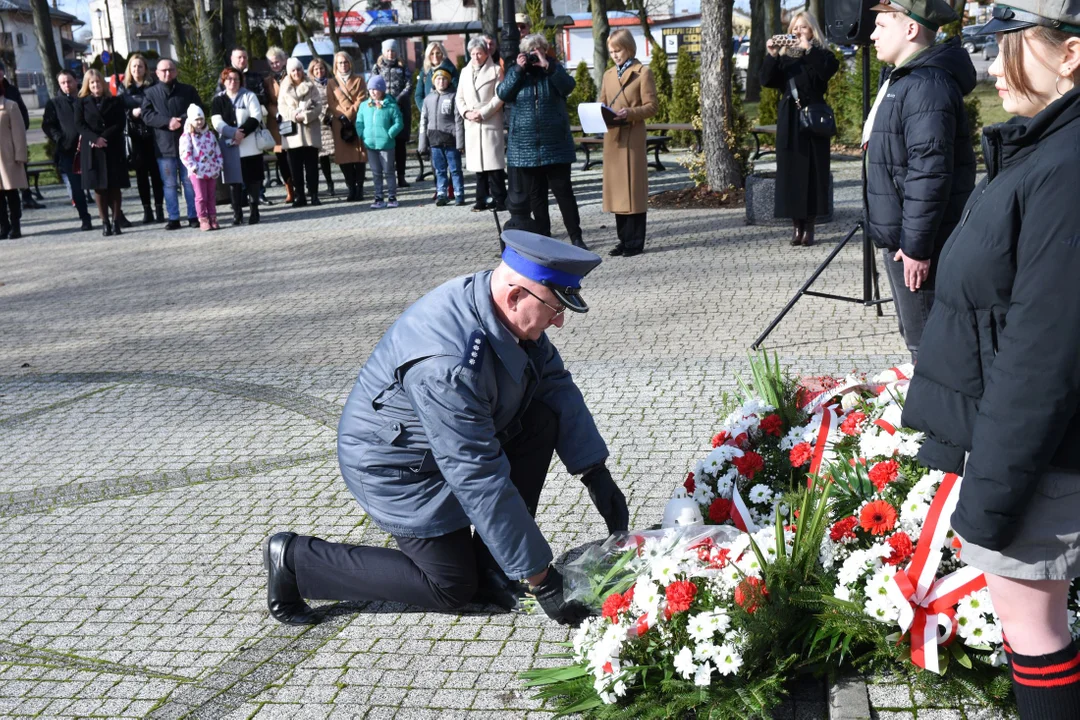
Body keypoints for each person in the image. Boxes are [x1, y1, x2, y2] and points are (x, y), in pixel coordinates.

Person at [263, 230, 629, 626]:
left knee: (542, 419)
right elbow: (476, 472)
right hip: (399, 468)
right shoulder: (448, 365)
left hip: (447, 448)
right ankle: (296, 561)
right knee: (451, 587)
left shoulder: (502, 308)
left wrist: (594, 471)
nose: (559, 322)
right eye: (555, 309)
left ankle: (495, 570)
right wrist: (541, 579)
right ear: (515, 296)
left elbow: (553, 382)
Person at [902, 3, 1080, 717]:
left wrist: (993, 495)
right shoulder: (1046, 148)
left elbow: (1045, 354)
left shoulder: (1066, 168)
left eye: (1010, 44)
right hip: (1027, 444)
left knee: (1033, 631)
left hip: (1043, 455)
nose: (989, 64)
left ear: (1071, 56)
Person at [865, 0, 976, 361]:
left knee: (928, 347)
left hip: (916, 245)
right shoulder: (905, 79)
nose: (872, 34)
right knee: (917, 339)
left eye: (882, 26)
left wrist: (916, 247)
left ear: (911, 30)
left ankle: (932, 418)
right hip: (902, 239)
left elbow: (929, 172)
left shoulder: (926, 85)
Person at [497, 34, 586, 249]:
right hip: (527, 148)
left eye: (538, 50)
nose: (534, 54)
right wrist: (518, 70)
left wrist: (548, 66)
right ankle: (545, 237)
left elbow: (568, 87)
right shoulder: (517, 73)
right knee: (536, 196)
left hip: (555, 145)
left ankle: (576, 237)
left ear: (545, 50)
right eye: (530, 51)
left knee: (564, 193)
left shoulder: (554, 68)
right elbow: (503, 94)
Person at [760, 11, 839, 248]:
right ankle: (796, 226)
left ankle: (811, 225)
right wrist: (772, 55)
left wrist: (809, 49)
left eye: (803, 28)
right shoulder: (787, 57)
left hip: (813, 118)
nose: (798, 32)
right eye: (795, 28)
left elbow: (824, 74)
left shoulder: (823, 55)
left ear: (812, 30)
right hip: (790, 119)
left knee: (814, 171)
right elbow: (766, 80)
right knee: (791, 171)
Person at [600, 29, 658, 257]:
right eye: (611, 51)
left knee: (633, 191)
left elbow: (652, 106)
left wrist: (631, 113)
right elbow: (602, 102)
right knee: (618, 193)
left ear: (629, 48)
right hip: (613, 138)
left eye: (618, 50)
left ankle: (635, 242)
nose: (615, 55)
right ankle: (623, 240)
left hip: (632, 137)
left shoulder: (642, 73)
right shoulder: (607, 75)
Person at [142, 58, 203, 230]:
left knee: (189, 181)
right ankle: (173, 218)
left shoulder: (187, 90)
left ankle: (194, 215)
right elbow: (147, 115)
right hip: (164, 147)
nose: (167, 73)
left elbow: (197, 109)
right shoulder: (151, 93)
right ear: (157, 73)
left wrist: (182, 120)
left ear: (176, 71)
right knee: (169, 184)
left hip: (188, 145)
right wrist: (167, 122)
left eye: (171, 70)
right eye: (163, 71)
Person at [75, 69, 131, 237]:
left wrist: (103, 138)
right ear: (87, 85)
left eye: (98, 82)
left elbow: (120, 123)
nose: (95, 85)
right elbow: (79, 124)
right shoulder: (81, 103)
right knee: (99, 187)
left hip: (111, 147)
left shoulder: (114, 101)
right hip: (92, 149)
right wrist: (94, 138)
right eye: (92, 83)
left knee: (114, 186)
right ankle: (104, 222)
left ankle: (116, 221)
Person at [458, 36, 507, 212]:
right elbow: (459, 97)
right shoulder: (464, 72)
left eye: (479, 53)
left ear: (486, 53)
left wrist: (483, 112)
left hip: (490, 121)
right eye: (472, 53)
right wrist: (466, 113)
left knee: (494, 166)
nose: (476, 57)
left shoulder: (495, 71)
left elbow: (499, 96)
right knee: (478, 168)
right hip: (472, 123)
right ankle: (481, 200)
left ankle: (500, 200)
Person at [211, 66, 264, 226]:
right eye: (229, 79)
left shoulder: (249, 96)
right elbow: (216, 121)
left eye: (236, 79)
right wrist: (233, 133)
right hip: (229, 146)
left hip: (250, 146)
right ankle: (237, 213)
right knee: (234, 182)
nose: (232, 82)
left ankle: (254, 211)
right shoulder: (218, 100)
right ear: (224, 81)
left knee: (253, 180)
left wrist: (242, 133)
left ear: (241, 81)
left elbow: (256, 116)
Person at [42, 70, 94, 231]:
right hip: (68, 150)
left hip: (90, 147)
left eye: (69, 81)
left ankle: (114, 215)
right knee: (76, 187)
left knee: (100, 183)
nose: (67, 85)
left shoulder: (86, 98)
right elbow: (48, 125)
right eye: (63, 83)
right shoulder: (55, 103)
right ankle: (85, 218)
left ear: (76, 80)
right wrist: (60, 138)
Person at [120, 53, 165, 224]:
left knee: (156, 174)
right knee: (141, 176)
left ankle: (160, 208)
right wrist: (131, 113)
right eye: (134, 66)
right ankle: (147, 210)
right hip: (135, 136)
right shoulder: (124, 88)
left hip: (153, 134)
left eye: (140, 66)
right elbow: (119, 110)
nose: (137, 69)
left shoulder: (153, 86)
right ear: (129, 69)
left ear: (145, 68)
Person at [277, 57, 323, 207]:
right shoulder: (284, 86)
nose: (296, 72)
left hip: (310, 130)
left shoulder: (311, 85)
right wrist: (294, 115)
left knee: (311, 166)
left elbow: (318, 105)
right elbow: (282, 107)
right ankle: (300, 196)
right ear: (289, 72)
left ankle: (314, 195)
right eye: (293, 70)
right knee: (295, 168)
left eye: (298, 69)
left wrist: (306, 116)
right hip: (293, 133)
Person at [0, 59, 44, 211]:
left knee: (17, 177)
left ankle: (26, 197)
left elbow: (23, 112)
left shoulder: (11, 90)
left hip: (12, 143)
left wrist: (19, 130)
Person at [356, 74, 403, 210]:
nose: (373, 92)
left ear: (382, 90)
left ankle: (392, 196)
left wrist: (390, 133)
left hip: (386, 145)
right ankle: (378, 197)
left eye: (376, 89)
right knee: (376, 172)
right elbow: (359, 122)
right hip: (370, 144)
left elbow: (399, 122)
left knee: (388, 171)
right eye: (370, 89)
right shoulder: (364, 106)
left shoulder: (391, 106)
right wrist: (362, 134)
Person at [418, 69, 465, 206]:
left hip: (451, 140)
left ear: (449, 81)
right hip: (434, 140)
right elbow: (423, 121)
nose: (441, 81)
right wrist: (422, 143)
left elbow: (458, 121)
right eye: (438, 79)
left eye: (444, 79)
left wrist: (460, 143)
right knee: (439, 170)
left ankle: (459, 193)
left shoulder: (453, 97)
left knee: (455, 169)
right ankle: (441, 194)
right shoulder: (428, 99)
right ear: (433, 81)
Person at [326, 51, 368, 202]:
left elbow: (361, 99)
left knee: (359, 157)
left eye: (345, 62)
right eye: (340, 63)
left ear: (350, 63)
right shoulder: (332, 83)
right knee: (344, 158)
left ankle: (360, 188)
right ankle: (351, 188)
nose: (343, 65)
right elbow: (331, 103)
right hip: (340, 124)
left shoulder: (359, 80)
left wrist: (349, 115)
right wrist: (341, 116)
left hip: (356, 120)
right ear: (335, 65)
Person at [372, 39, 413, 189]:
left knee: (400, 146)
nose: (391, 53)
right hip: (383, 111)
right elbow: (372, 86)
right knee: (386, 145)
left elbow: (409, 85)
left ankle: (401, 177)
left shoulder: (403, 67)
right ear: (383, 52)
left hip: (400, 111)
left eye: (393, 50)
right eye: (388, 50)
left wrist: (398, 99)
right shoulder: (377, 68)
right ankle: (388, 177)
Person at [179, 104, 223, 231]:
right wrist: (193, 167)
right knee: (201, 196)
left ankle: (213, 217)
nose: (199, 122)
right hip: (197, 172)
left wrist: (218, 164)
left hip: (211, 170)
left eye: (201, 119)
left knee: (211, 196)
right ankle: (203, 218)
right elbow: (185, 154)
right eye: (196, 120)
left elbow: (216, 149)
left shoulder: (210, 135)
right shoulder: (187, 136)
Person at [264, 47, 295, 204]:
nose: (275, 65)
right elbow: (267, 101)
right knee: (282, 158)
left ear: (283, 61)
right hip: (276, 122)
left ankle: (300, 186)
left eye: (277, 61)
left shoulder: (291, 75)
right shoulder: (268, 80)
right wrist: (276, 112)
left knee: (294, 157)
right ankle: (289, 189)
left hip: (292, 118)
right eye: (271, 62)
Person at [0, 81, 27, 239]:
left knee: (11, 192)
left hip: (8, 157)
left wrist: (20, 155)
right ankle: (4, 225)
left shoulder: (10, 106)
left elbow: (19, 133)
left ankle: (15, 225)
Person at [308, 58, 338, 197]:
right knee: (324, 156)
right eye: (316, 69)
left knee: (339, 153)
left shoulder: (332, 83)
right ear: (312, 71)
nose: (319, 71)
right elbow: (311, 104)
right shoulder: (310, 86)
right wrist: (321, 115)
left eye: (321, 69)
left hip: (334, 120)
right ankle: (329, 184)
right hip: (319, 123)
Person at [414, 41, 458, 113]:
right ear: (428, 55)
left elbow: (457, 93)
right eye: (432, 53)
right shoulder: (425, 71)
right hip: (429, 115)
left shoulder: (451, 70)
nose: (435, 56)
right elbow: (418, 95)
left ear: (442, 54)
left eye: (438, 53)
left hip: (447, 115)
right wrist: (425, 111)